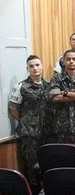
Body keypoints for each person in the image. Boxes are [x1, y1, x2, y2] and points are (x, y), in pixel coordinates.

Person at [9, 55, 53, 188]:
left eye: (37, 65)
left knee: (48, 165)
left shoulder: (49, 85)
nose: (35, 68)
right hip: (30, 135)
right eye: (31, 66)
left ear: (42, 66)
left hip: (48, 133)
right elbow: (13, 109)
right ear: (27, 69)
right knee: (32, 167)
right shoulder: (21, 86)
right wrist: (27, 122)